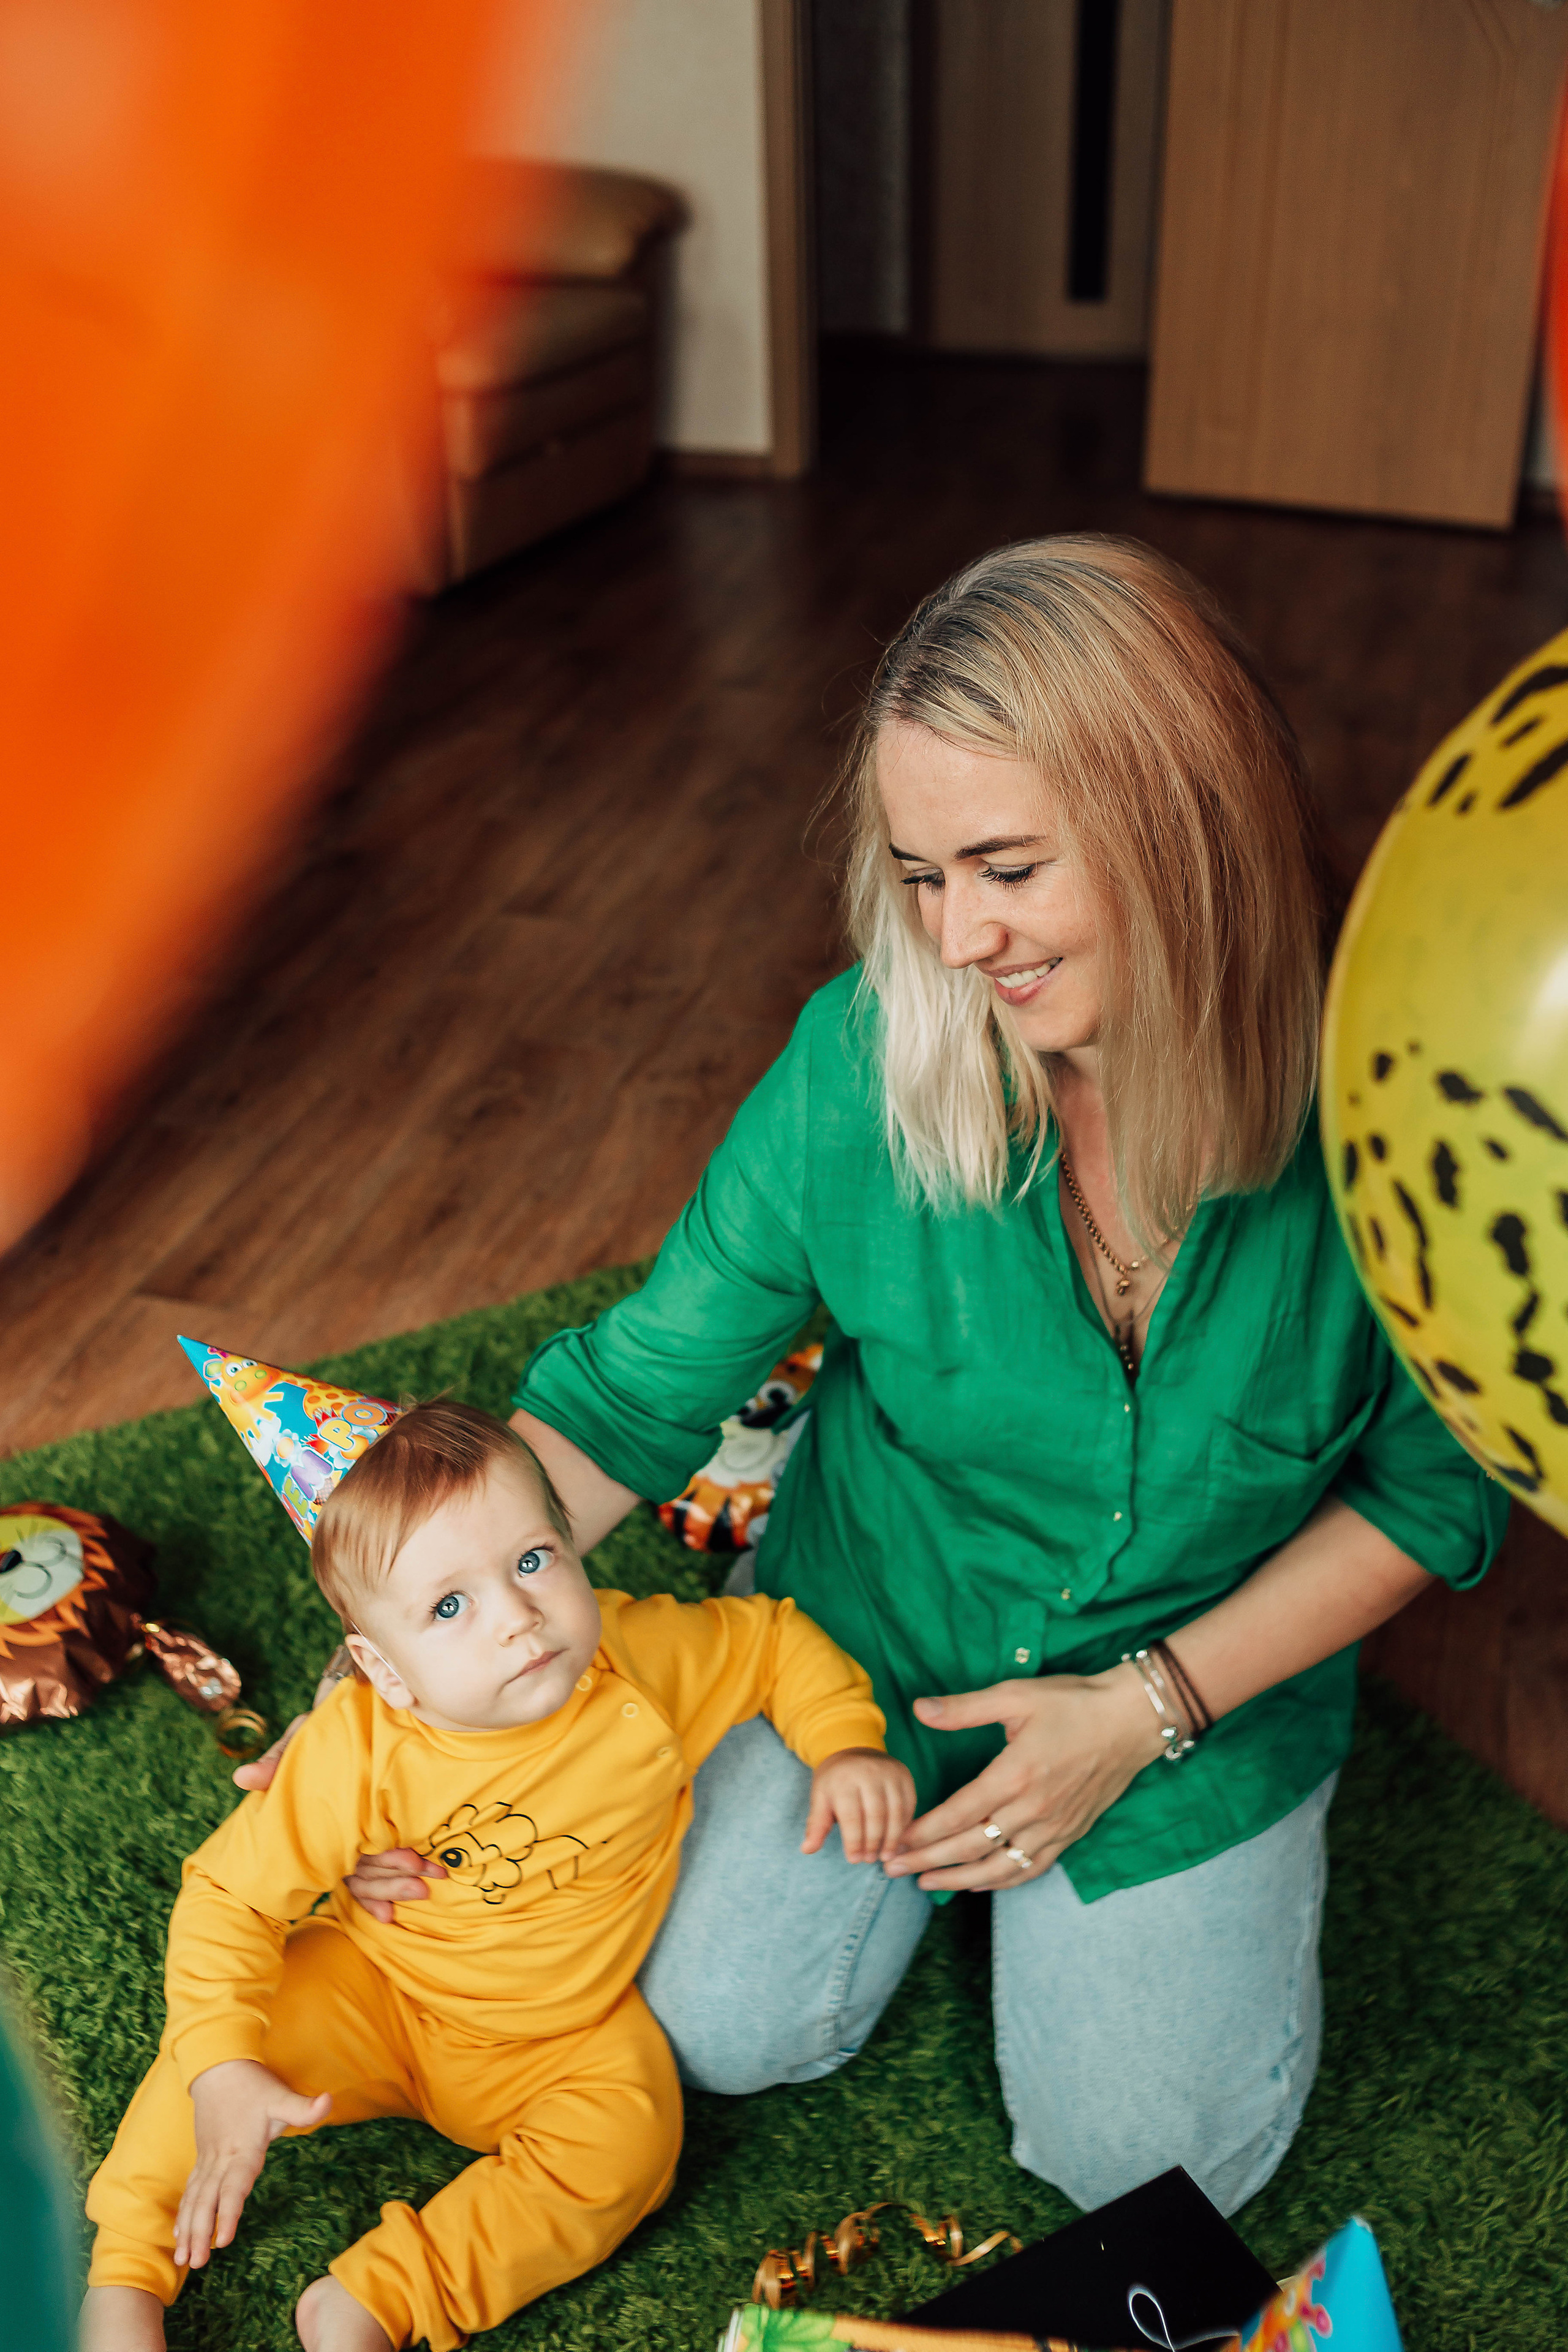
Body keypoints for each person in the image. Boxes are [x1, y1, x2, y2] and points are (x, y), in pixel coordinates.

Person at [247, 534, 1505, 2218]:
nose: (958, 935)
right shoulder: (866, 1055)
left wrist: (1147, 1713)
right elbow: (630, 1397)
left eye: (1006, 867)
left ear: (1179, 830)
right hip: (869, 1618)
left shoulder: (1400, 1106)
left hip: (1199, 1680)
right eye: (921, 875)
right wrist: (409, 1645)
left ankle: (1079, 1855)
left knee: (1143, 2161)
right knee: (712, 2020)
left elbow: (1432, 1491)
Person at [81, 1401, 910, 2352]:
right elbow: (230, 1897)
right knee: (221, 2048)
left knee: (631, 2144)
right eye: (448, 1606)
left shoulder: (644, 1669)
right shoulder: (356, 1747)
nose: (518, 1618)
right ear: (381, 1670)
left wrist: (844, 1741)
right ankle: (128, 2277)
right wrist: (225, 2065)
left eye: (531, 1562)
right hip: (381, 1991)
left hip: (567, 2028)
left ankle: (374, 2302)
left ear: (573, 1545)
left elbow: (769, 1641)